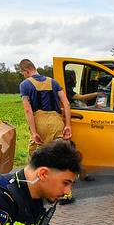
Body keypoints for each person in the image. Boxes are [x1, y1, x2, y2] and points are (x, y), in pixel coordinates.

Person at [18, 59, 76, 203]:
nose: (24, 76)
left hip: (40, 122)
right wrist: (67, 124)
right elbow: (67, 103)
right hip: (57, 121)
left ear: (25, 71)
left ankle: (36, 190)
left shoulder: (25, 85)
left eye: (23, 73)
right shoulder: (53, 82)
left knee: (35, 156)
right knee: (61, 156)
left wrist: (34, 132)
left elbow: (27, 109)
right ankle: (66, 194)